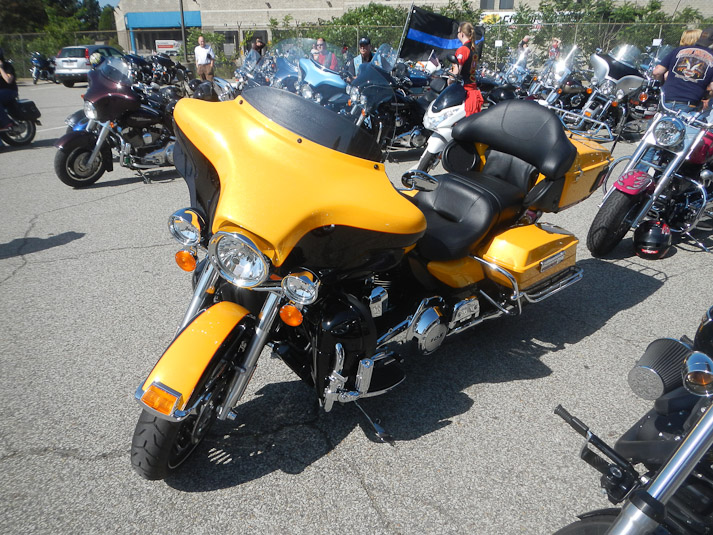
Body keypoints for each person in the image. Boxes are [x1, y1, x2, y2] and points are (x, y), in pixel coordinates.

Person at [653, 27, 713, 115]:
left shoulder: (678, 50)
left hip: (665, 99)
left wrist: (660, 86)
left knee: (659, 122)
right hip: (690, 104)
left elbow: (657, 72)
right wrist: (708, 97)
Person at [452, 22, 484, 116]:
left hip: (465, 93)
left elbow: (456, 73)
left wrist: (450, 80)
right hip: (473, 90)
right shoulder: (474, 49)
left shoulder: (463, 50)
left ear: (462, 34)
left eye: (458, 32)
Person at [0, 47, 18, 132]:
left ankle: (7, 123)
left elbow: (8, 80)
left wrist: (1, 68)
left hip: (10, 91)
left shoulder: (7, 66)